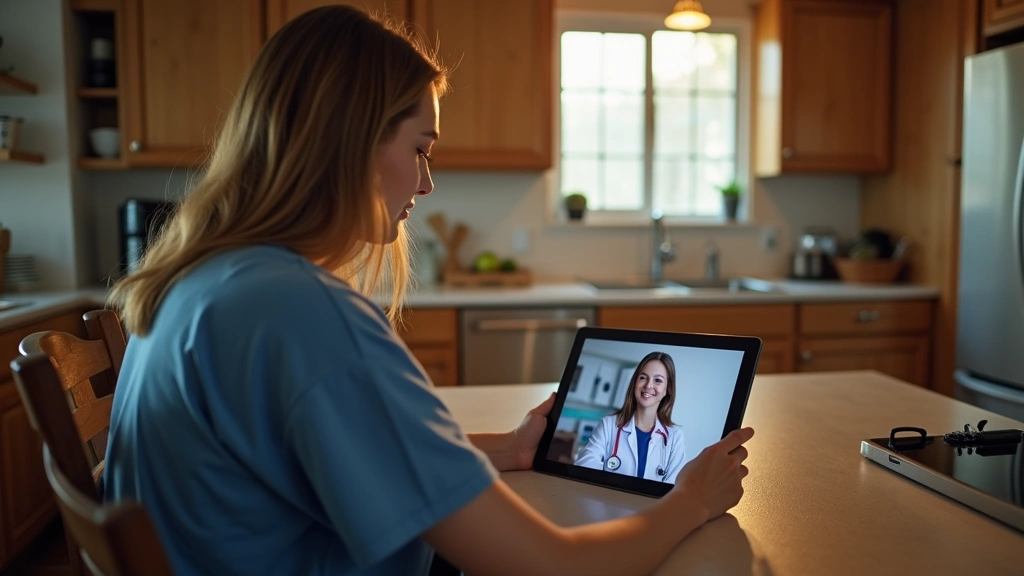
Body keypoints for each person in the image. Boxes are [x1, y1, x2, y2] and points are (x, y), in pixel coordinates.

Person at [101, 6, 755, 576]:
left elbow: (345, 460)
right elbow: (553, 565)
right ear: (349, 140)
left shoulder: (205, 281)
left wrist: (509, 449)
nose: (426, 182)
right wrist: (690, 501)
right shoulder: (301, 315)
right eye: (420, 148)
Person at [575, 352, 688, 483]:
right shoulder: (609, 425)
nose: (648, 385)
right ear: (635, 382)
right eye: (643, 378)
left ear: (667, 389)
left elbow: (674, 490)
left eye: (658, 380)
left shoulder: (675, 437)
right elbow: (584, 466)